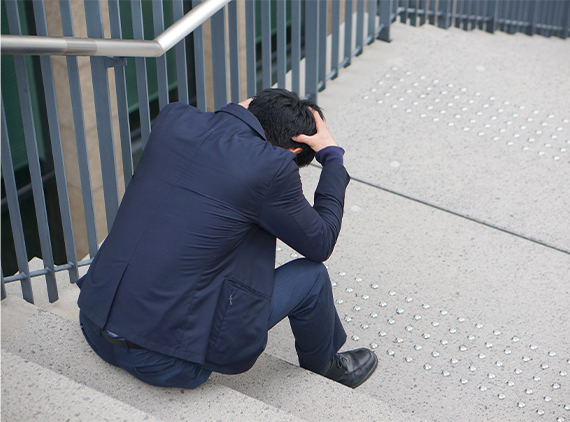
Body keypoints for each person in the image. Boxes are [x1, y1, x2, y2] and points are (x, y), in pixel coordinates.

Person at [77, 88, 378, 390]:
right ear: (294, 152)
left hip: (94, 322)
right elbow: (321, 242)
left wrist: (255, 107)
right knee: (312, 278)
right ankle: (326, 366)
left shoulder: (174, 120)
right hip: (165, 363)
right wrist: (333, 158)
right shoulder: (272, 167)